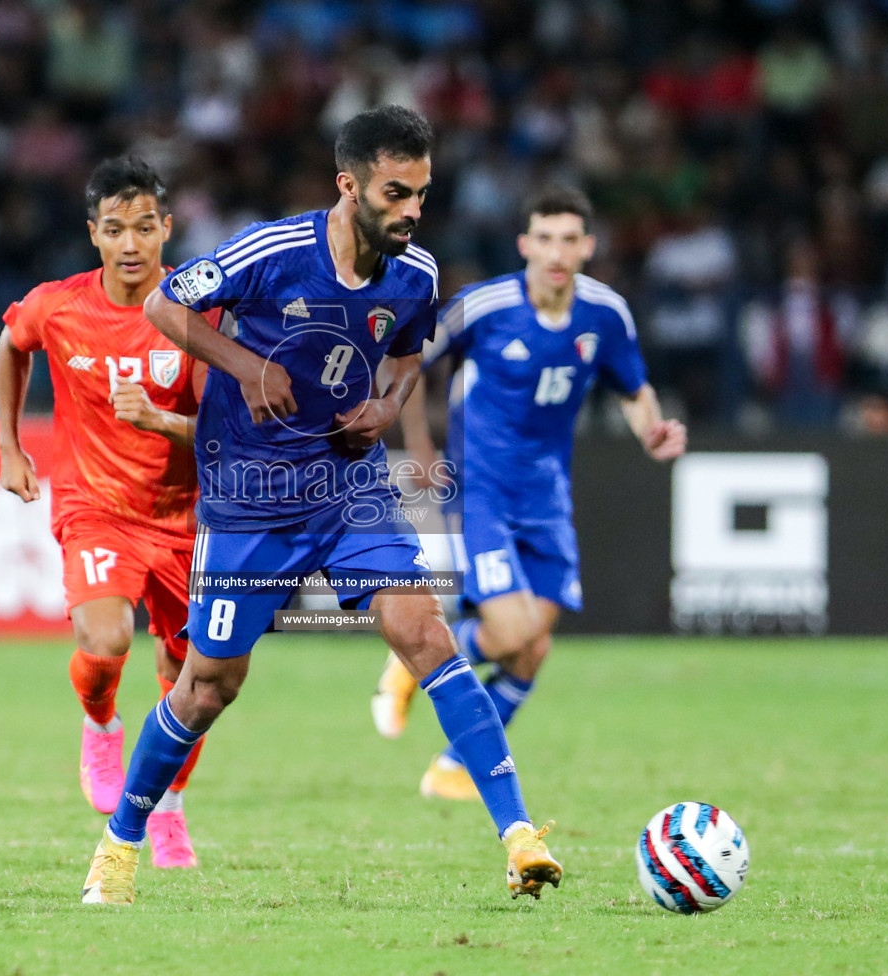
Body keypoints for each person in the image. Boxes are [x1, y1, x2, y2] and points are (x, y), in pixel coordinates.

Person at [81, 105, 562, 906]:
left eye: (423, 193)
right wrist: (246, 368)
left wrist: (387, 403)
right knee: (208, 686)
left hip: (348, 489)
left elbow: (408, 351)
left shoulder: (417, 273)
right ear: (349, 185)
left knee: (425, 633)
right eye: (397, 192)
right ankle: (120, 845)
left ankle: (518, 837)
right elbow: (166, 303)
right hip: (249, 498)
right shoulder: (274, 252)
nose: (413, 210)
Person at [376, 185, 686, 799]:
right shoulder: (486, 306)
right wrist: (417, 442)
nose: (556, 251)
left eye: (570, 239)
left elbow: (632, 389)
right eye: (544, 238)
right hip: (483, 490)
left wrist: (650, 429)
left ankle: (451, 765)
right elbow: (407, 359)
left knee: (532, 648)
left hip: (547, 495)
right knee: (516, 635)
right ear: (524, 244)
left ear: (588, 246)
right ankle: (413, 657)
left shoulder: (606, 314)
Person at [0, 156, 210, 870]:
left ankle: (169, 810)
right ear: (94, 234)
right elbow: (11, 342)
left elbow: (222, 429)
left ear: (166, 230)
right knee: (107, 637)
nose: (130, 244)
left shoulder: (196, 315)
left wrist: (157, 420)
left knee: (192, 676)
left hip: (184, 517)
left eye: (144, 228)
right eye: (114, 229)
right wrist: (9, 443)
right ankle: (99, 723)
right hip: (96, 508)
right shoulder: (58, 306)